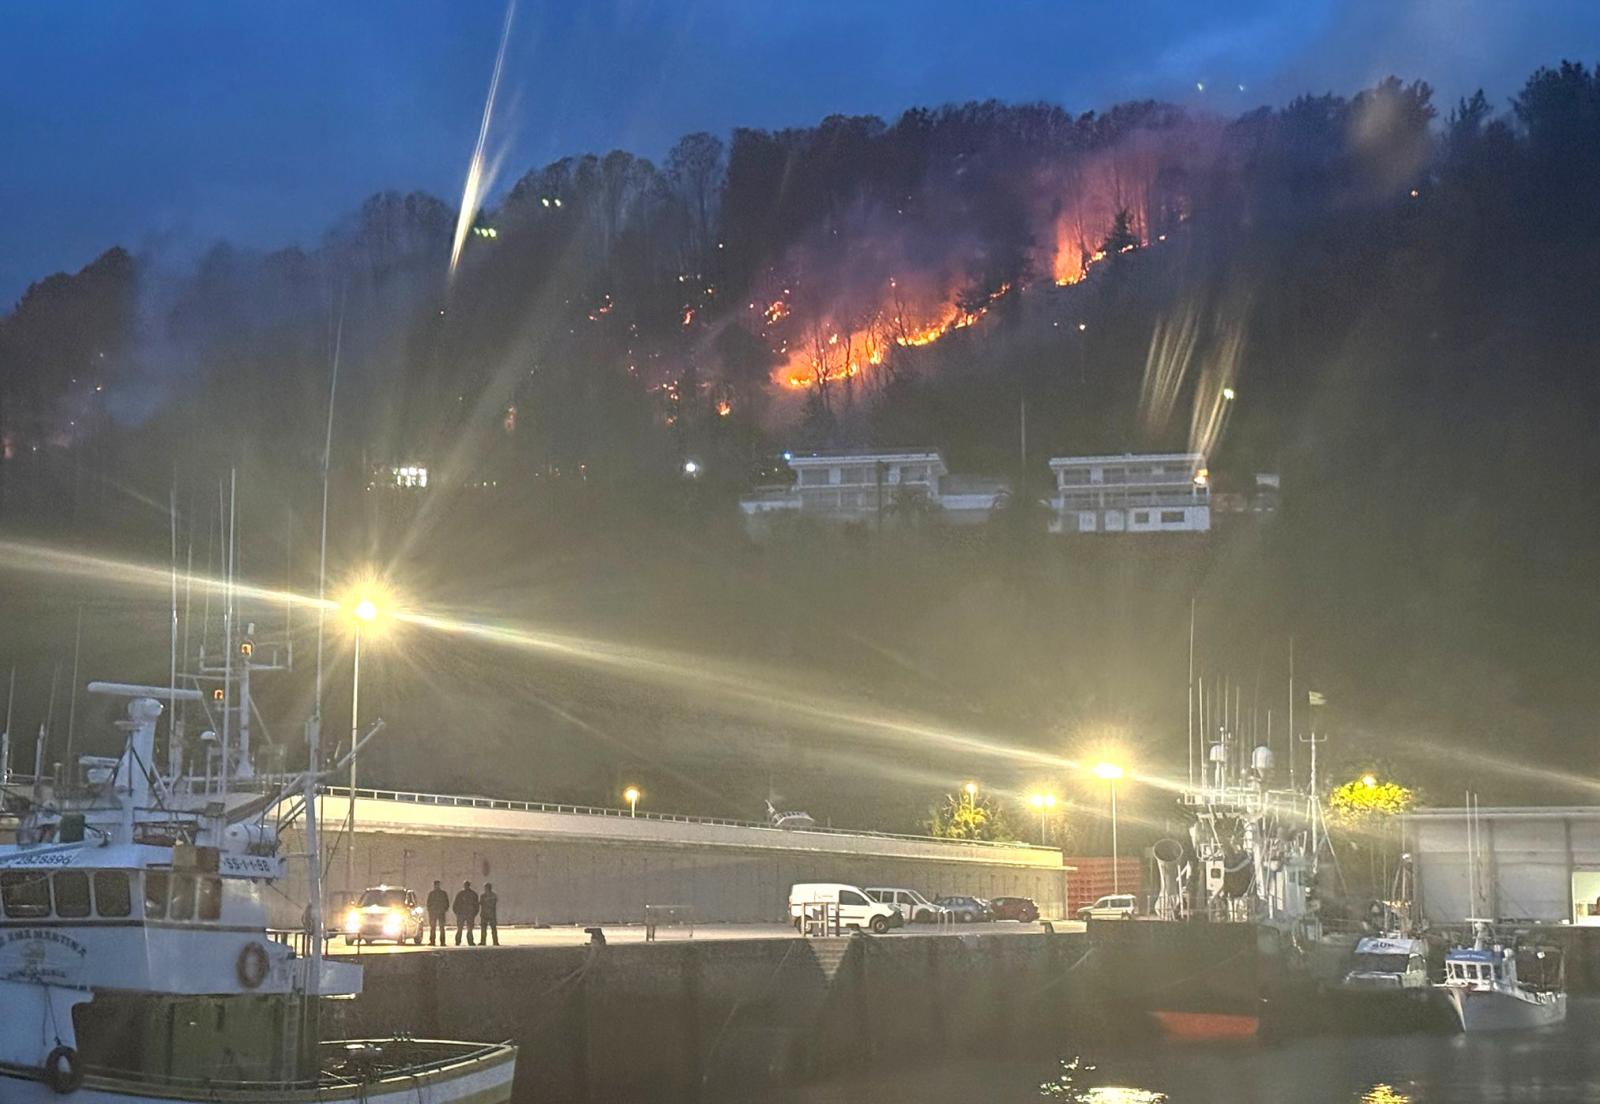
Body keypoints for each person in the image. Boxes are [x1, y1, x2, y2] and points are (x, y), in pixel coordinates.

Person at [452, 880, 479, 946]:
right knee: (462, 929)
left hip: (466, 914)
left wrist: (474, 913)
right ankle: (463, 941)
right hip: (465, 914)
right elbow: (455, 905)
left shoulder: (462, 894)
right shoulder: (471, 894)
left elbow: (476, 905)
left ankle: (462, 941)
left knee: (467, 929)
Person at [425, 880, 450, 946]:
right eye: (436, 885)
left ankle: (440, 941)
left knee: (439, 927)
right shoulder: (441, 893)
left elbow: (446, 903)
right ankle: (435, 941)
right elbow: (428, 903)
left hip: (437, 913)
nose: (437, 886)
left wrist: (444, 909)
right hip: (437, 913)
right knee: (435, 928)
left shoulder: (434, 894)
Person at [478, 882, 499, 946]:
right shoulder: (483, 895)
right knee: (483, 929)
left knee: (493, 929)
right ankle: (483, 941)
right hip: (484, 914)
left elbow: (493, 903)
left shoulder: (493, 895)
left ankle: (495, 941)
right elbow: (480, 903)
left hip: (491, 914)